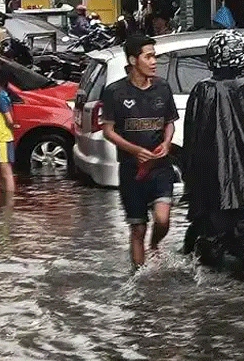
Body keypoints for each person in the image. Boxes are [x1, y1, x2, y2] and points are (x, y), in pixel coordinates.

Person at [99, 35, 180, 269]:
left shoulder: (162, 88)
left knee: (163, 220)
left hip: (160, 168)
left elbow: (170, 122)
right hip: (132, 171)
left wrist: (166, 142)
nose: (154, 62)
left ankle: (155, 245)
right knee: (137, 228)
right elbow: (108, 131)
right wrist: (135, 150)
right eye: (149, 56)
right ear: (134, 60)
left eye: (155, 56)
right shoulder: (115, 92)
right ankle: (138, 279)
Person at [182, 31, 244, 266]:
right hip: (237, 188)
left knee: (207, 244)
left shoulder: (201, 90)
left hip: (210, 187)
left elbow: (191, 141)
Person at [0, 68, 20, 196]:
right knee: (2, 170)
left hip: (2, 137)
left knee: (6, 170)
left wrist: (13, 125)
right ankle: (4, 194)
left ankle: (9, 200)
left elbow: (9, 118)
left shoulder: (1, 98)